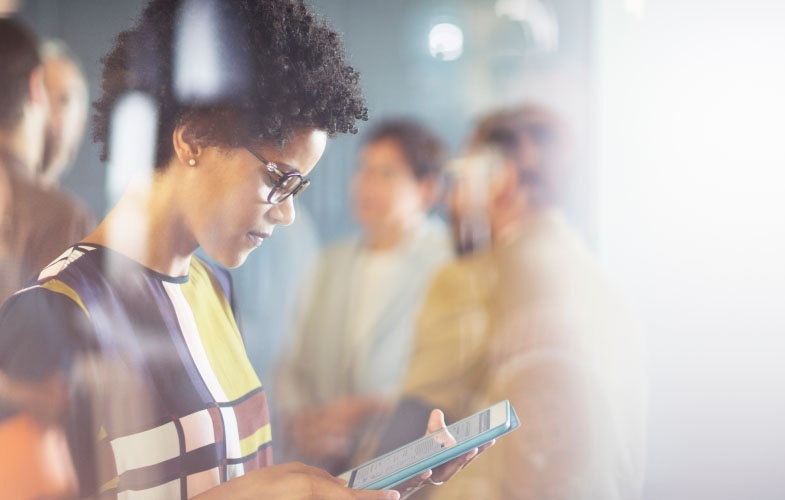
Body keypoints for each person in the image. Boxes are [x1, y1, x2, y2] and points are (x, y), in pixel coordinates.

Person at [0, 2, 489, 499]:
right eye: (279, 179)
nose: (287, 212)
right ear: (192, 140)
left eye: (298, 188)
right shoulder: (52, 315)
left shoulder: (212, 287)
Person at [375, 105, 647, 499]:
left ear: (501, 178)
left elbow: (407, 448)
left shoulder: (469, 281)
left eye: (462, 176)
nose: (451, 199)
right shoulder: (613, 295)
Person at [274, 119, 452, 471]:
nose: (365, 184)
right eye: (363, 169)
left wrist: (366, 410)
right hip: (323, 465)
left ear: (428, 189)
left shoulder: (449, 268)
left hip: (406, 465)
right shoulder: (329, 262)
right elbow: (291, 363)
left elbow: (445, 380)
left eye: (386, 173)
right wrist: (301, 422)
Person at [0, 20, 94, 304]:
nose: (57, 118)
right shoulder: (68, 221)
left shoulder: (69, 217)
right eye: (54, 97)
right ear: (35, 89)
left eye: (67, 100)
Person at [38, 39, 90, 188]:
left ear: (82, 120)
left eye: (64, 100)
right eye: (44, 95)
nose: (53, 114)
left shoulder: (71, 210)